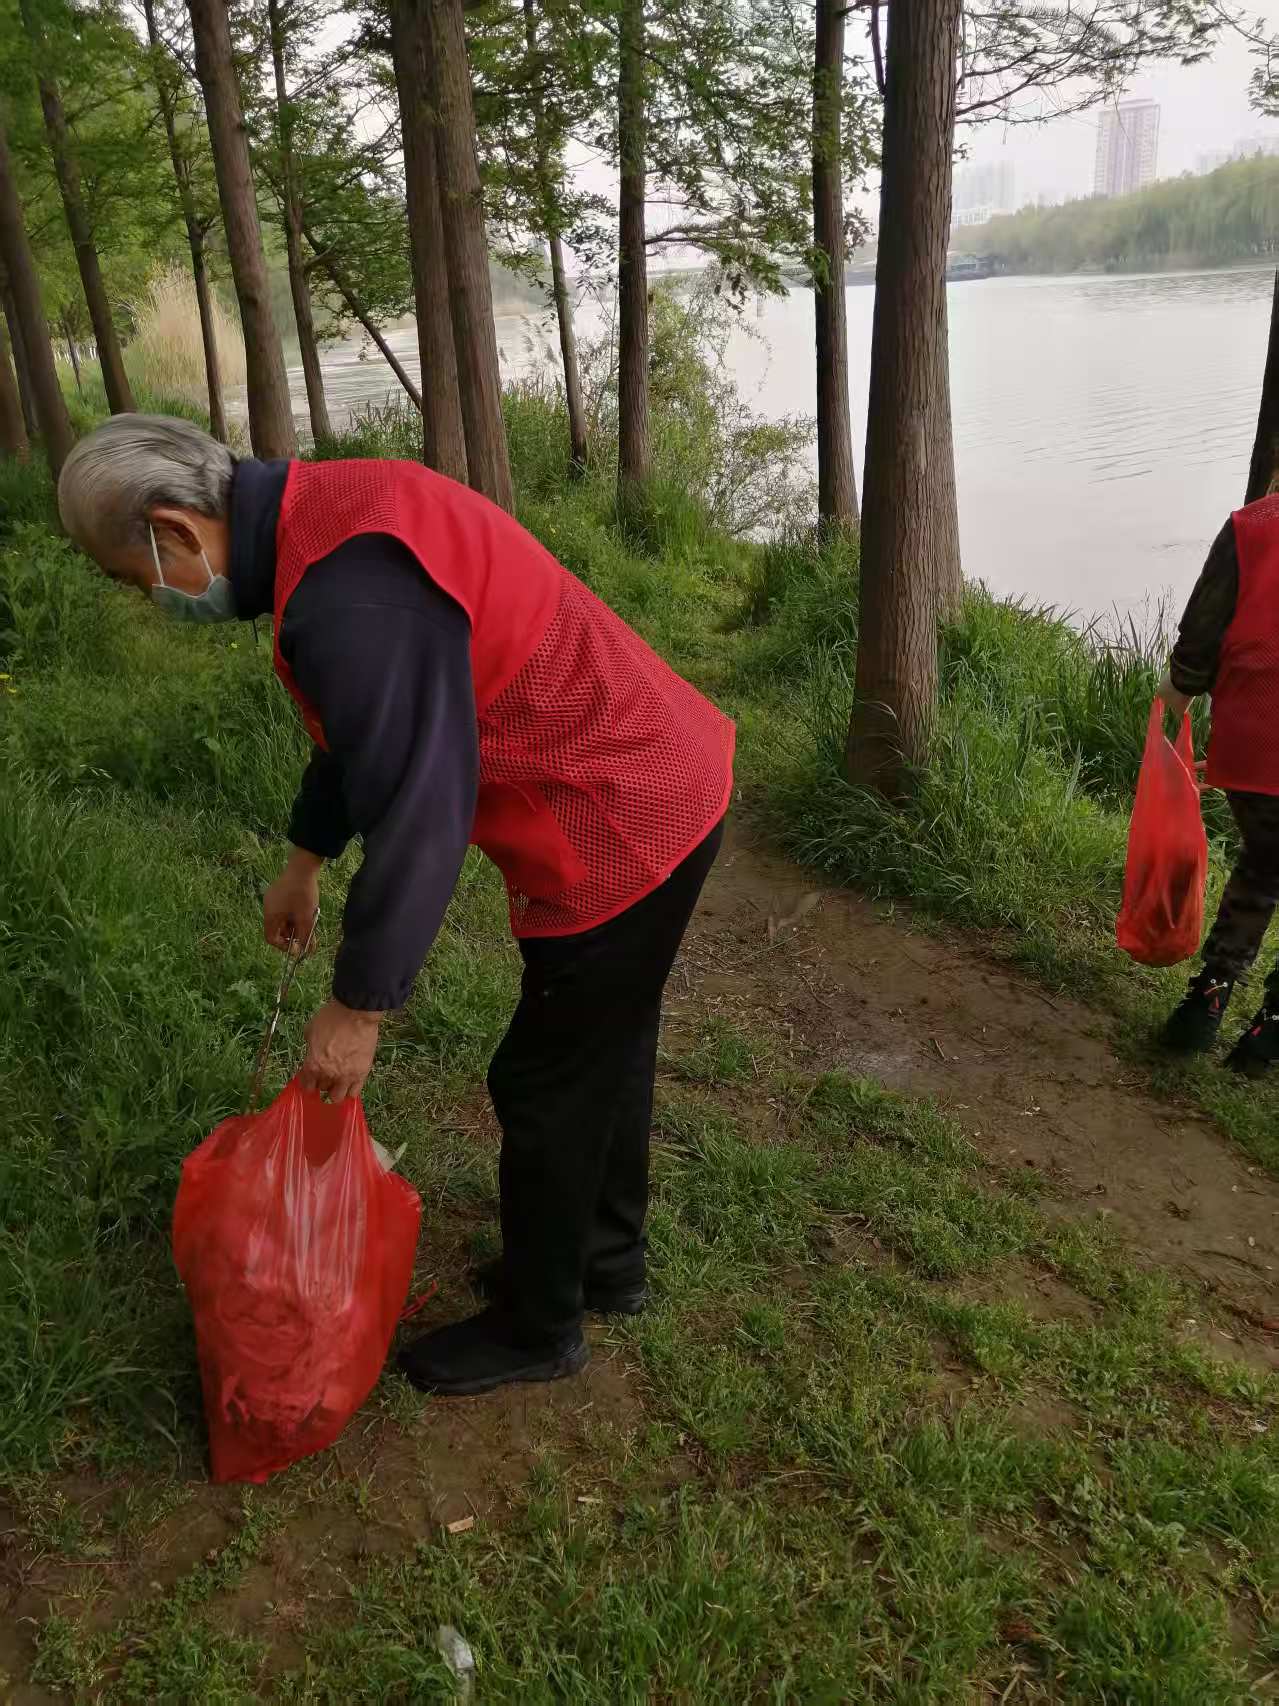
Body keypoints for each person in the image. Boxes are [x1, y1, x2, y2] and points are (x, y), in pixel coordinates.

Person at [57, 414, 734, 1395]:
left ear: (174, 529)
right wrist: (305, 857)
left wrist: (356, 1007)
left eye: (138, 579)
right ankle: (603, 1263)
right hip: (653, 771)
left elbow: (422, 806)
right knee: (603, 1041)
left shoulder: (347, 594)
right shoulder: (317, 526)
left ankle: (541, 1325)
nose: (155, 600)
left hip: (621, 808)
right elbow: (358, 731)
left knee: (546, 1079)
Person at [1158, 492, 1279, 1076]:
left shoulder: (1253, 526)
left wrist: (1180, 689)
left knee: (1265, 860)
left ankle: (1207, 998)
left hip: (1253, 733)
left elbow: (1204, 625)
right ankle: (1269, 1031)